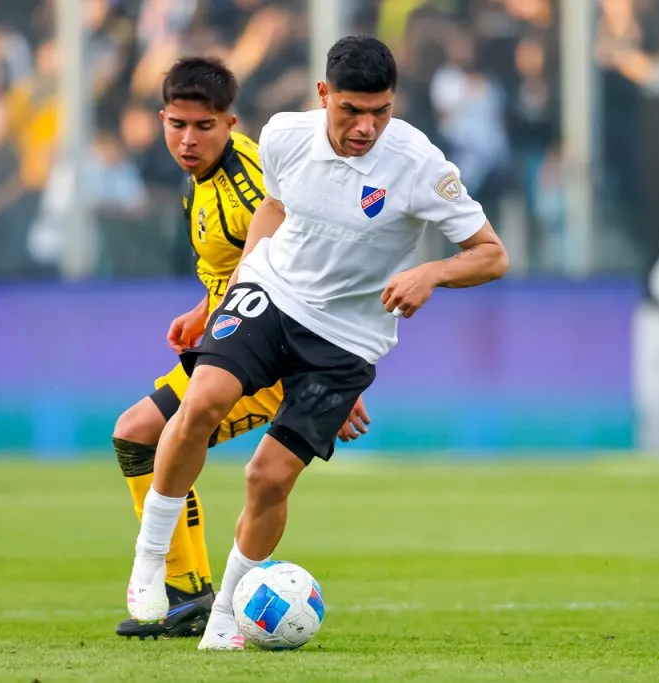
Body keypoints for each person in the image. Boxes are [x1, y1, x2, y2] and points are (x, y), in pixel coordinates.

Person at [124, 35, 509, 649]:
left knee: (267, 478)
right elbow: (273, 209)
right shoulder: (283, 135)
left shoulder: (421, 165)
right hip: (272, 295)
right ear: (323, 95)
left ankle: (227, 612)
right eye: (350, 110)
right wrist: (237, 290)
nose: (365, 127)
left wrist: (430, 272)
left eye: (380, 112)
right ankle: (148, 564)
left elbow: (492, 255)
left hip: (347, 337)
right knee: (201, 400)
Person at [111, 57, 372, 639]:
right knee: (138, 435)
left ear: (230, 123)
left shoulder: (252, 182)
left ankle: (189, 591)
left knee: (144, 435)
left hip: (271, 365)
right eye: (178, 124)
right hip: (236, 339)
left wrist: (328, 378)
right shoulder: (201, 177)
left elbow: (300, 263)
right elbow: (239, 261)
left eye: (203, 126)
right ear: (162, 118)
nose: (188, 138)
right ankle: (189, 592)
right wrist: (205, 308)